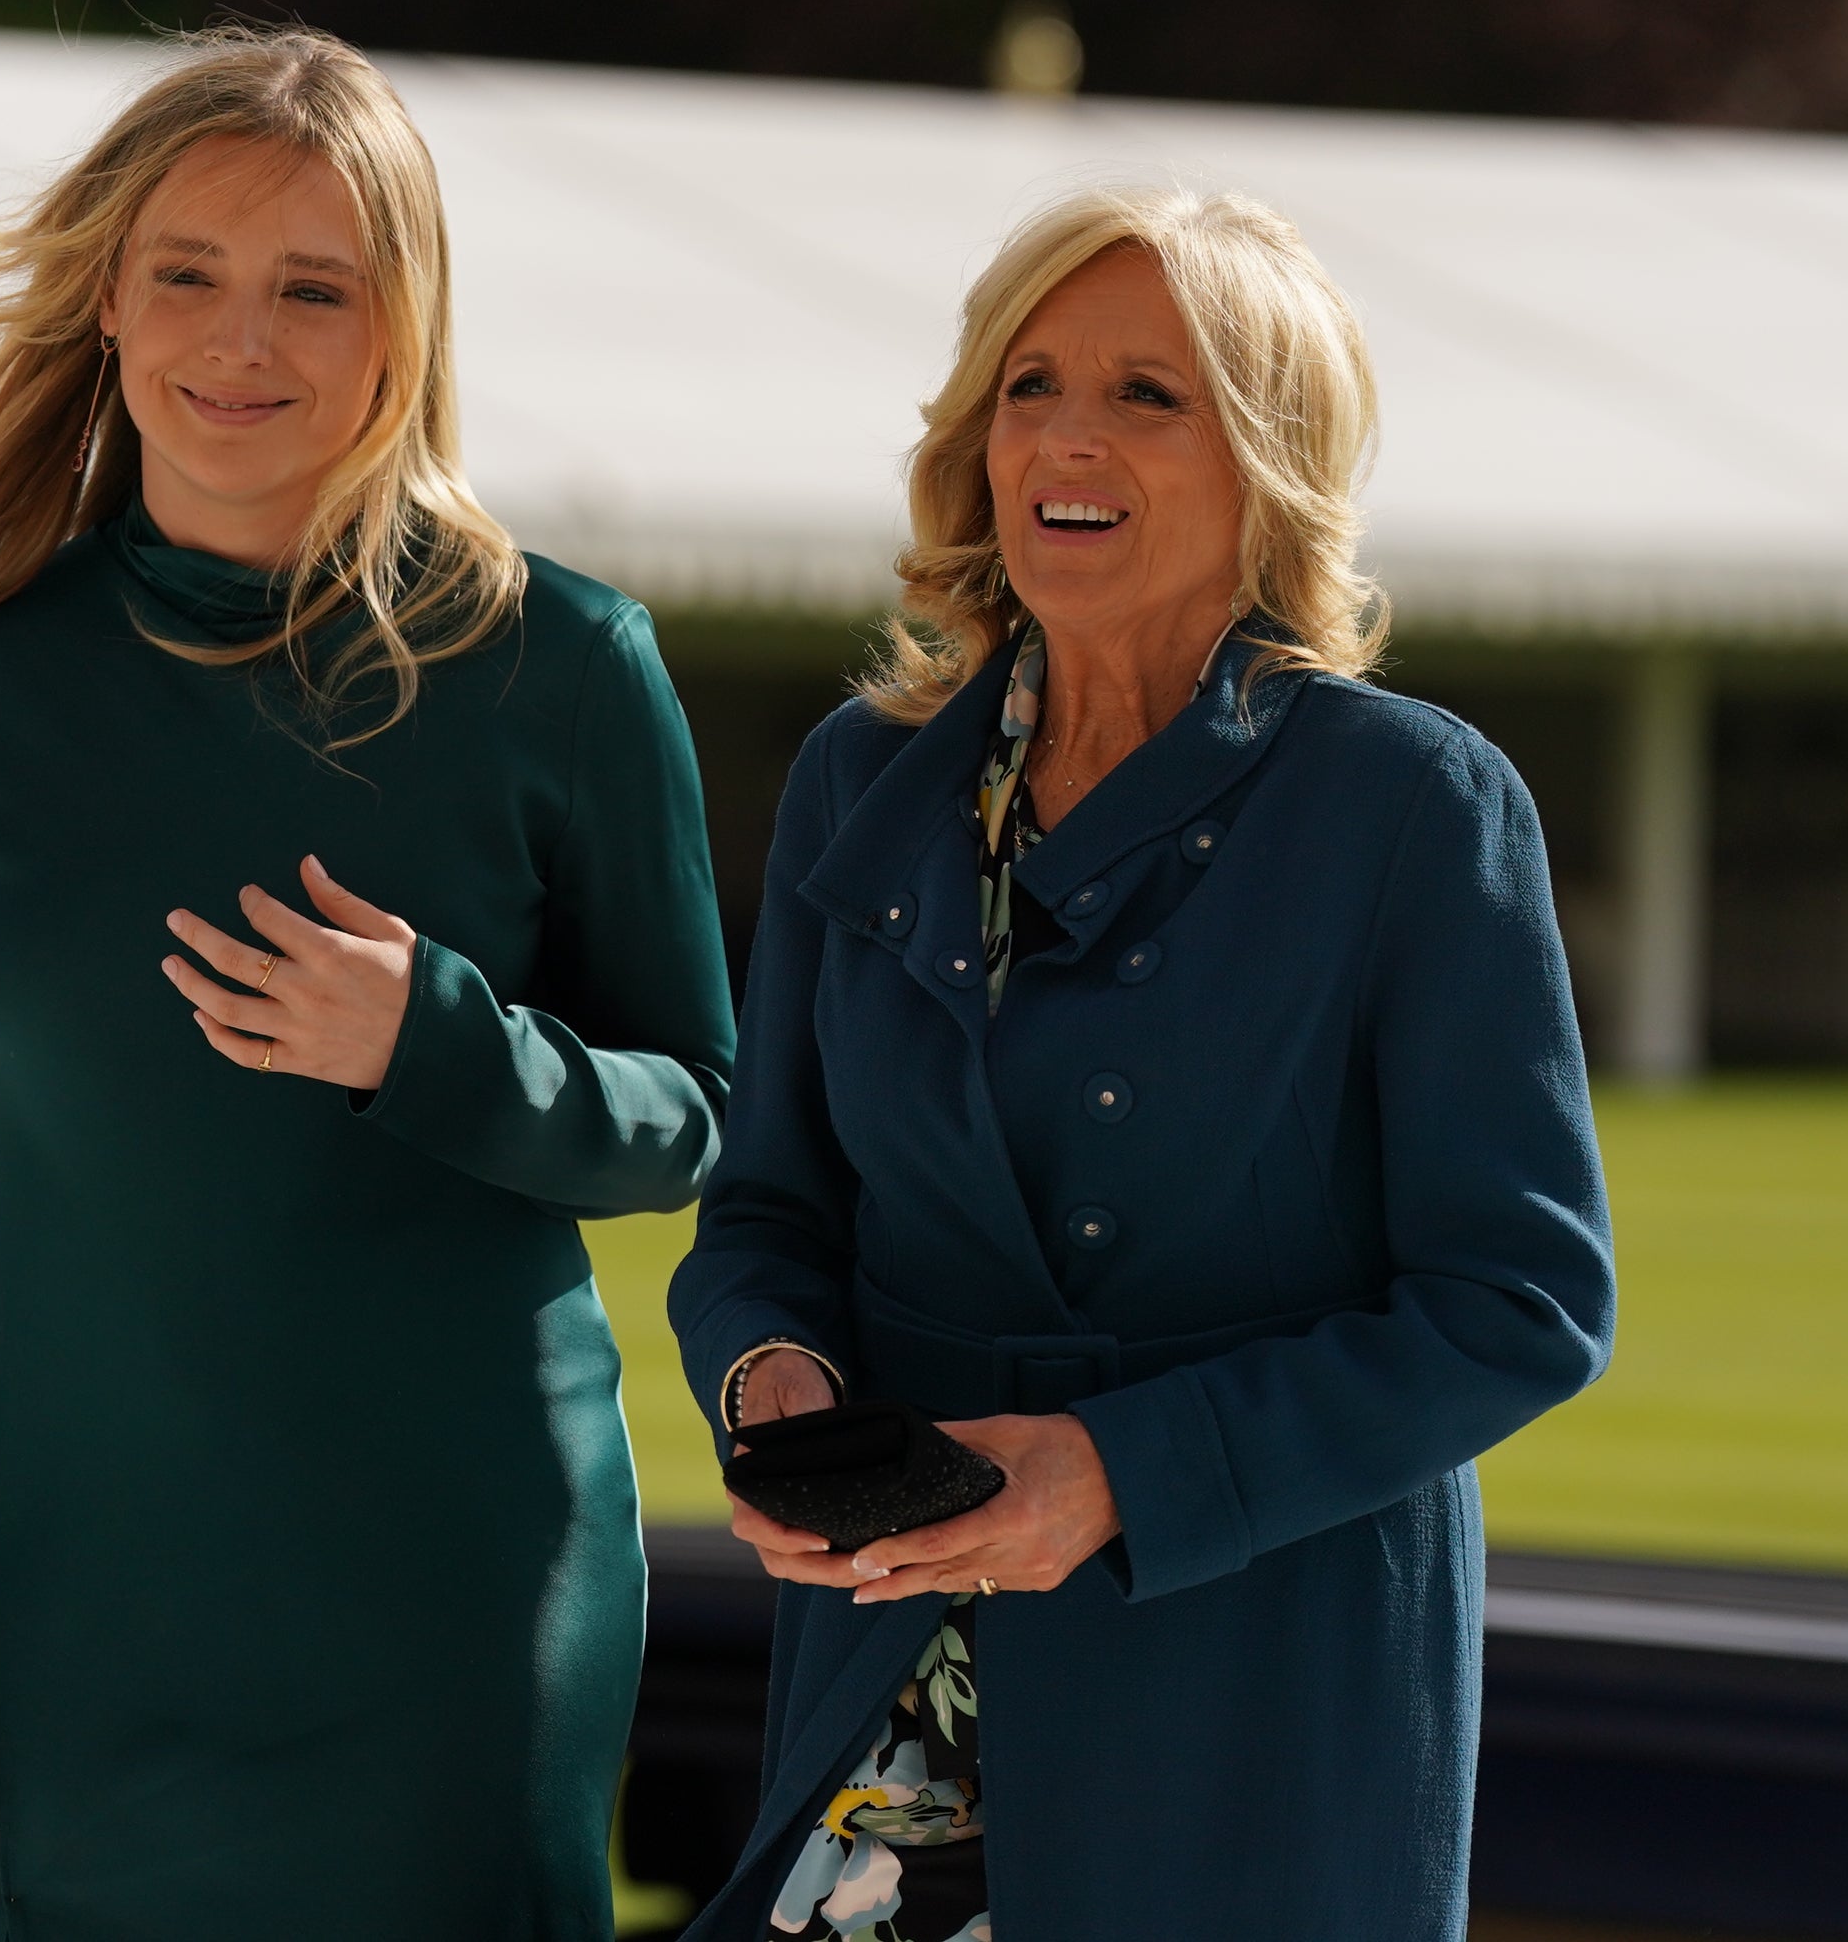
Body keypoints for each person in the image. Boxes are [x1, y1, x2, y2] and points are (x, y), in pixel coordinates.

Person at [0, 27, 734, 1939]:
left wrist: (437, 1049)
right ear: (110, 298)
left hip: (455, 1603)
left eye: (312, 289)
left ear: (400, 329)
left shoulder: (567, 668)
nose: (241, 341)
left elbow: (698, 1122)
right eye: (192, 274)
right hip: (76, 1606)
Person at [667, 185, 1616, 1940]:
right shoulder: (856, 781)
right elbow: (768, 1211)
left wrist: (1115, 1476)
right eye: (1029, 386)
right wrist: (773, 1378)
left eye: (1149, 397)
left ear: (1270, 463)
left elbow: (1521, 1301)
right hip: (893, 1672)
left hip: (1249, 1696)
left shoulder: (1415, 805)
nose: (1068, 438)